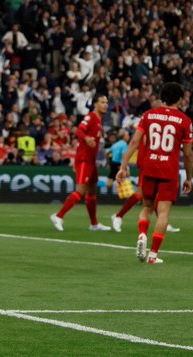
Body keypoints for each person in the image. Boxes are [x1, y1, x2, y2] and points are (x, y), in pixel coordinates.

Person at [116, 82, 193, 264]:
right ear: (180, 99)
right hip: (169, 170)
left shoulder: (148, 115)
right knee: (163, 212)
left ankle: (142, 234)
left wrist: (123, 167)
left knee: (147, 207)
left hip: (149, 167)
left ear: (161, 97)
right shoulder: (185, 120)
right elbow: (188, 153)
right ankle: (153, 255)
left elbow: (135, 142)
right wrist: (189, 177)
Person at [50, 95, 111, 231]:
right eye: (102, 102)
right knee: (81, 191)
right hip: (84, 160)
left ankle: (94, 224)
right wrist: (87, 138)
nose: (105, 105)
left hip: (91, 161)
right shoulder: (90, 117)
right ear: (95, 104)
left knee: (92, 192)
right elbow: (78, 130)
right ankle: (58, 216)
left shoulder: (99, 121)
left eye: (106, 102)